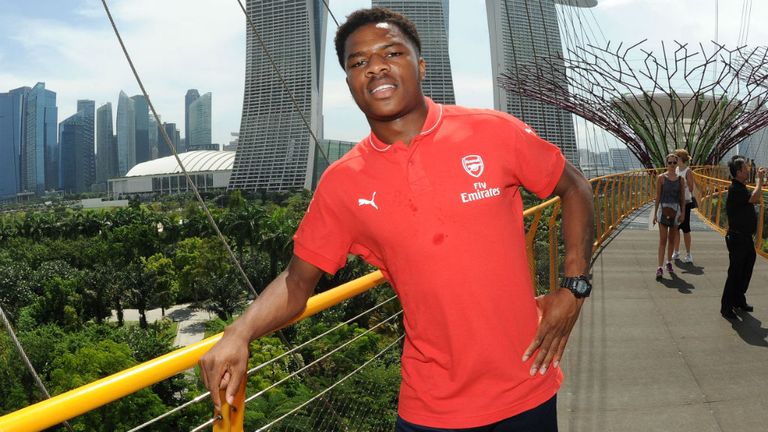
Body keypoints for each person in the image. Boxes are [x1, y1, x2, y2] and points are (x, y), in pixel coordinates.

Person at [199, 8, 595, 431]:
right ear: (349, 82)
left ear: (421, 66)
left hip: (525, 387)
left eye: (391, 53)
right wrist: (238, 332)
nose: (375, 68)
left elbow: (575, 188)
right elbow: (297, 283)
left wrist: (574, 287)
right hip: (430, 409)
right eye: (358, 62)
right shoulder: (342, 183)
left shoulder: (493, 132)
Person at [721, 156, 765, 319]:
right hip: (737, 238)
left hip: (745, 238)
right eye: (745, 168)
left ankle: (739, 299)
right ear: (738, 172)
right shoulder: (735, 189)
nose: (748, 170)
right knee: (735, 272)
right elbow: (754, 198)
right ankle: (726, 307)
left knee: (746, 269)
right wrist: (760, 180)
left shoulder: (741, 186)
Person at [653, 153, 686, 279]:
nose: (672, 165)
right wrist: (655, 214)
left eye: (674, 162)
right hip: (663, 210)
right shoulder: (661, 178)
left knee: (672, 239)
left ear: (677, 164)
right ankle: (659, 267)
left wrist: (683, 212)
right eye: (670, 162)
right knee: (663, 240)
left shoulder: (680, 179)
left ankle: (669, 263)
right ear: (666, 164)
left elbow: (682, 198)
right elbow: (657, 197)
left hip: (676, 211)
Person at [672, 149, 696, 263]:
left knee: (686, 229)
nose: (674, 161)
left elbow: (691, 188)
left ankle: (688, 253)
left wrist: (684, 184)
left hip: (685, 203)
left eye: (676, 159)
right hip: (676, 202)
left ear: (681, 159)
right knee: (676, 228)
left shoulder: (688, 171)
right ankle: (676, 252)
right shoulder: (676, 169)